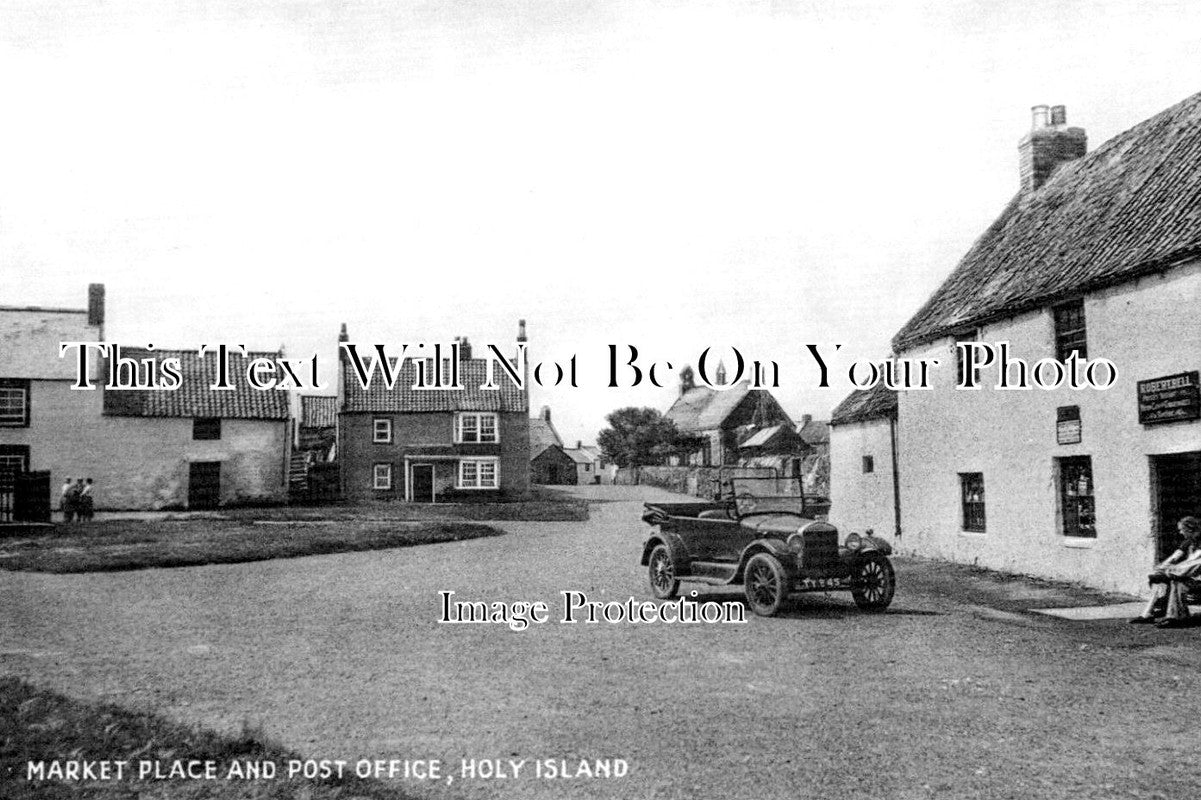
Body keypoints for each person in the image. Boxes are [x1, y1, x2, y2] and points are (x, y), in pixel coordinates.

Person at [1131, 516, 1201, 628]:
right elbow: (1174, 557)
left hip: (1198, 579)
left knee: (1176, 581)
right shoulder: (1188, 542)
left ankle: (1175, 617)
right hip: (1190, 577)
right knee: (1162, 580)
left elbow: (1194, 563)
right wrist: (1160, 570)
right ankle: (1149, 613)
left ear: (1190, 529)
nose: (1180, 532)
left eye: (1181, 530)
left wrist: (1171, 571)